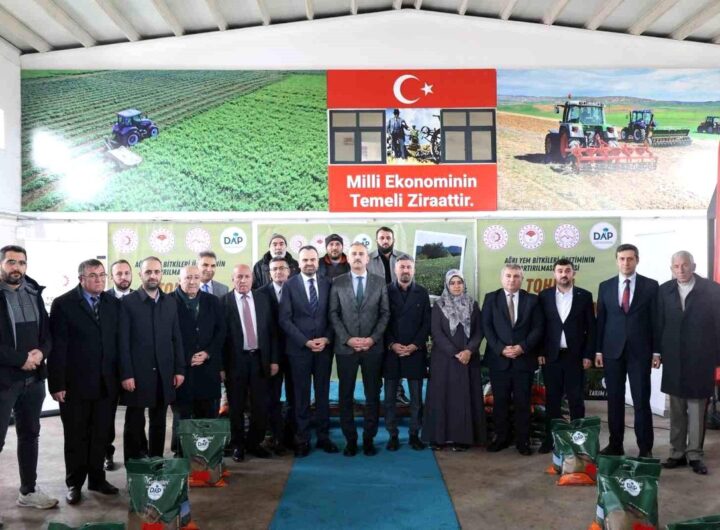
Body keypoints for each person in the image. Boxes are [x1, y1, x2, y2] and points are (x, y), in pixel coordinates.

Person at [49, 259, 120, 505]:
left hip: (106, 384)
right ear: (81, 278)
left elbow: (117, 344)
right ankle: (74, 483)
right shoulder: (63, 304)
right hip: (74, 385)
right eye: (93, 275)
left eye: (102, 275)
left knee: (101, 435)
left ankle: (97, 480)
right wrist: (57, 384)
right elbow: (58, 347)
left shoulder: (113, 303)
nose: (99, 280)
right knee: (76, 436)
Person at [0, 245, 58, 511]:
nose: (17, 268)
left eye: (22, 263)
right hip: (4, 382)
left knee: (30, 435)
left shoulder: (34, 293)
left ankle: (29, 491)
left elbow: (47, 334)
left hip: (33, 380)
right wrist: (19, 359)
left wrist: (41, 353)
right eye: (11, 262)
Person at [657, 251, 720, 475]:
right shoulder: (664, 291)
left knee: (696, 409)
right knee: (676, 409)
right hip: (674, 358)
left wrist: (717, 358)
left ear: (693, 265)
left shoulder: (711, 289)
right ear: (671, 268)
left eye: (685, 265)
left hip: (701, 358)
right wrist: (657, 352)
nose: (681, 270)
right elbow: (659, 323)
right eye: (676, 266)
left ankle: (695, 455)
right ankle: (677, 453)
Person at [596, 243, 659, 458]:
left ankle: (645, 448)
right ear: (616, 261)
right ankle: (615, 445)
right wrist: (598, 351)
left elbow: (656, 321)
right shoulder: (605, 286)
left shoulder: (651, 286)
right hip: (612, 352)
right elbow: (601, 321)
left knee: (641, 401)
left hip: (640, 353)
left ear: (637, 260)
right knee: (614, 401)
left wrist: (657, 351)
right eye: (622, 259)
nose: (626, 263)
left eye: (630, 258)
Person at [119, 256, 185, 461]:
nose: (153, 275)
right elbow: (123, 343)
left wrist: (179, 369)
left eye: (157, 271)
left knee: (159, 421)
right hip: (137, 374)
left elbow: (176, 338)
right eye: (148, 272)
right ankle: (134, 463)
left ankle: (157, 461)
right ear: (140, 274)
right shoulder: (127, 303)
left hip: (164, 373)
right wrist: (126, 374)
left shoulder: (170, 302)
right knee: (134, 421)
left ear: (161, 274)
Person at [329, 242, 390, 457]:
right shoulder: (337, 282)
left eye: (361, 254)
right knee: (345, 395)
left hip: (373, 348)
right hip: (346, 349)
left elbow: (385, 313)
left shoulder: (380, 282)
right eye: (353, 253)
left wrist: (372, 339)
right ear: (348, 257)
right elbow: (333, 313)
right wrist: (348, 339)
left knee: (372, 395)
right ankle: (351, 440)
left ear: (367, 259)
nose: (357, 257)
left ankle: (369, 439)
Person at [280, 246, 338, 457]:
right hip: (299, 351)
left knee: (323, 395)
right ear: (299, 263)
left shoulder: (328, 283)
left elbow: (334, 315)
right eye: (305, 260)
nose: (309, 263)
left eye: (313, 259)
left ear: (317, 262)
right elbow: (284, 320)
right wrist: (305, 342)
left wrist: (327, 338)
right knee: (301, 397)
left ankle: (323, 437)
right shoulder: (289, 285)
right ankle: (302, 439)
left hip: (323, 349)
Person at [482, 264, 543, 456]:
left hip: (523, 360)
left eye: (516, 276)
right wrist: (501, 348)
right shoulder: (491, 298)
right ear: (502, 278)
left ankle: (522, 441)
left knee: (523, 402)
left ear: (522, 279)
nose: (512, 279)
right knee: (500, 402)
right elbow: (486, 327)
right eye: (508, 276)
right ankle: (502, 437)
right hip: (499, 360)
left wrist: (522, 347)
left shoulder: (532, 300)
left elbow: (538, 328)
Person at [537, 259, 596, 454]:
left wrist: (588, 354)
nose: (564, 274)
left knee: (576, 400)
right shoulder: (544, 296)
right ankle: (550, 440)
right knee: (552, 400)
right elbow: (540, 327)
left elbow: (591, 328)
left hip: (575, 357)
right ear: (554, 274)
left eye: (567, 271)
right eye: (560, 271)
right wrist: (540, 352)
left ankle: (578, 442)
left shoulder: (584, 296)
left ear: (573, 273)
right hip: (551, 356)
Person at [423, 270, 484, 451]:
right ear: (447, 285)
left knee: (463, 398)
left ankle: (462, 439)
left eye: (459, 282)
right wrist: (455, 353)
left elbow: (479, 331)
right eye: (452, 283)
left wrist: (469, 350)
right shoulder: (438, 306)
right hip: (444, 360)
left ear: (464, 284)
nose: (456, 286)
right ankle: (438, 438)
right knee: (441, 398)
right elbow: (436, 333)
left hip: (468, 359)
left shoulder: (473, 305)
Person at [223, 264, 279, 462]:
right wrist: (221, 367)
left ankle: (255, 443)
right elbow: (220, 338)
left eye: (247, 276)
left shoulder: (263, 299)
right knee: (236, 406)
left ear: (252, 279)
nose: (243, 280)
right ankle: (238, 445)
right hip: (234, 362)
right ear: (232, 279)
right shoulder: (223, 302)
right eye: (239, 276)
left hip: (260, 360)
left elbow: (272, 332)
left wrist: (274, 360)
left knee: (260, 405)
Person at [169, 265, 225, 456]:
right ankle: (181, 455)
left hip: (208, 370)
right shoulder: (168, 302)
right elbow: (165, 337)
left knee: (208, 416)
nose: (192, 281)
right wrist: (186, 357)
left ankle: (207, 457)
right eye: (187, 278)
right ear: (179, 280)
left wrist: (208, 353)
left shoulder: (213, 301)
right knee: (182, 417)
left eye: (195, 277)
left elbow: (221, 332)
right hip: (181, 371)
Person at [384, 255, 430, 451]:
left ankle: (414, 434)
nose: (405, 270)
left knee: (416, 399)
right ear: (395, 270)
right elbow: (381, 321)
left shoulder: (422, 292)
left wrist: (415, 345)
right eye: (402, 267)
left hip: (415, 351)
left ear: (414, 270)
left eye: (409, 267)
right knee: (389, 399)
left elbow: (427, 323)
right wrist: (392, 344)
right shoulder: (385, 291)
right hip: (391, 352)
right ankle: (392, 435)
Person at [367, 226, 410, 405]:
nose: (385, 241)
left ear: (393, 240)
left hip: (397, 313)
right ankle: (375, 393)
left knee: (396, 354)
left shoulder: (403, 258)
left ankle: (398, 392)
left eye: (388, 238)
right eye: (382, 238)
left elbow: (409, 282)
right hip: (374, 314)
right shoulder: (368, 259)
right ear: (377, 240)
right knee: (376, 355)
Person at [259, 256, 295, 455]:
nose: (279, 271)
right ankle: (275, 436)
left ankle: (292, 435)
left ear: (289, 271)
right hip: (271, 355)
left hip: (296, 352)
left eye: (282, 268)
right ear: (269, 273)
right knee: (272, 397)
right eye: (275, 269)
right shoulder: (260, 294)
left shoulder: (297, 289)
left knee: (294, 396)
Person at [104, 259, 133, 471]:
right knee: (107, 415)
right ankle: (107, 453)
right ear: (112, 277)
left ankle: (136, 453)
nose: (123, 277)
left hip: (134, 366)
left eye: (126, 273)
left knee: (135, 415)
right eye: (119, 273)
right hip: (110, 368)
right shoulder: (103, 299)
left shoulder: (140, 298)